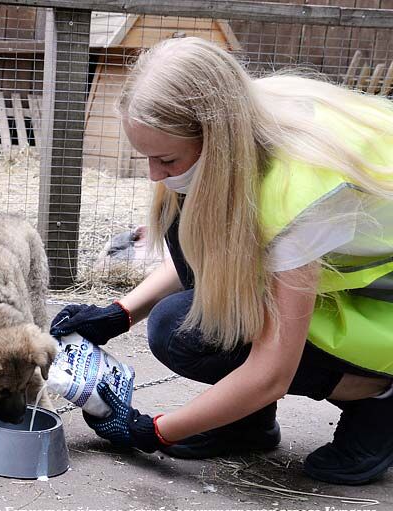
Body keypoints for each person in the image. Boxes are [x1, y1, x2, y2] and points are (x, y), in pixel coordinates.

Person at [51, 37, 393, 486]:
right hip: (357, 281)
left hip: (382, 304)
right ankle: (246, 423)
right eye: (147, 157)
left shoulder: (299, 197)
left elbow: (273, 371)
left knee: (191, 332)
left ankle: (377, 397)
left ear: (215, 139)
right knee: (182, 325)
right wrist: (121, 312)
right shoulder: (246, 115)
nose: (154, 173)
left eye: (166, 159)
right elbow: (209, 250)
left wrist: (154, 431)